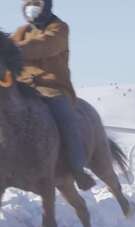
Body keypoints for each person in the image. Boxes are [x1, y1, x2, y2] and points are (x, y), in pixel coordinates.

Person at [11, 0, 96, 190]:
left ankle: (77, 168)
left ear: (46, 6)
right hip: (24, 87)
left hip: (52, 87)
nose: (31, 9)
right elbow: (7, 46)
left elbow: (44, 45)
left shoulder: (59, 28)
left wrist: (12, 50)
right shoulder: (22, 31)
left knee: (65, 118)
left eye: (36, 4)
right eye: (28, 4)